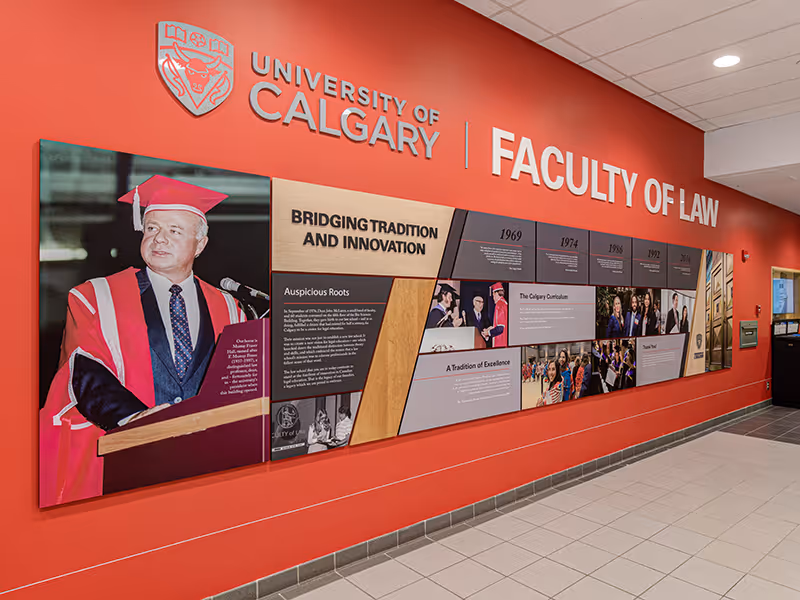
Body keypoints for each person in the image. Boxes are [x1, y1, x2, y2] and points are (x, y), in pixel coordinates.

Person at [39, 175, 247, 507]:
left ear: (200, 243)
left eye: (175, 231)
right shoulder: (96, 296)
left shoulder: (230, 306)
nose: (159, 239)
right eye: (151, 228)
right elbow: (84, 370)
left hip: (205, 459)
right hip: (125, 454)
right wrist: (139, 422)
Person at [484, 283, 508, 347]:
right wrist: (491, 328)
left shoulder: (499, 305)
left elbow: (500, 328)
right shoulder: (505, 304)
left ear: (496, 293)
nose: (493, 297)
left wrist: (488, 333)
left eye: (493, 295)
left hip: (500, 342)